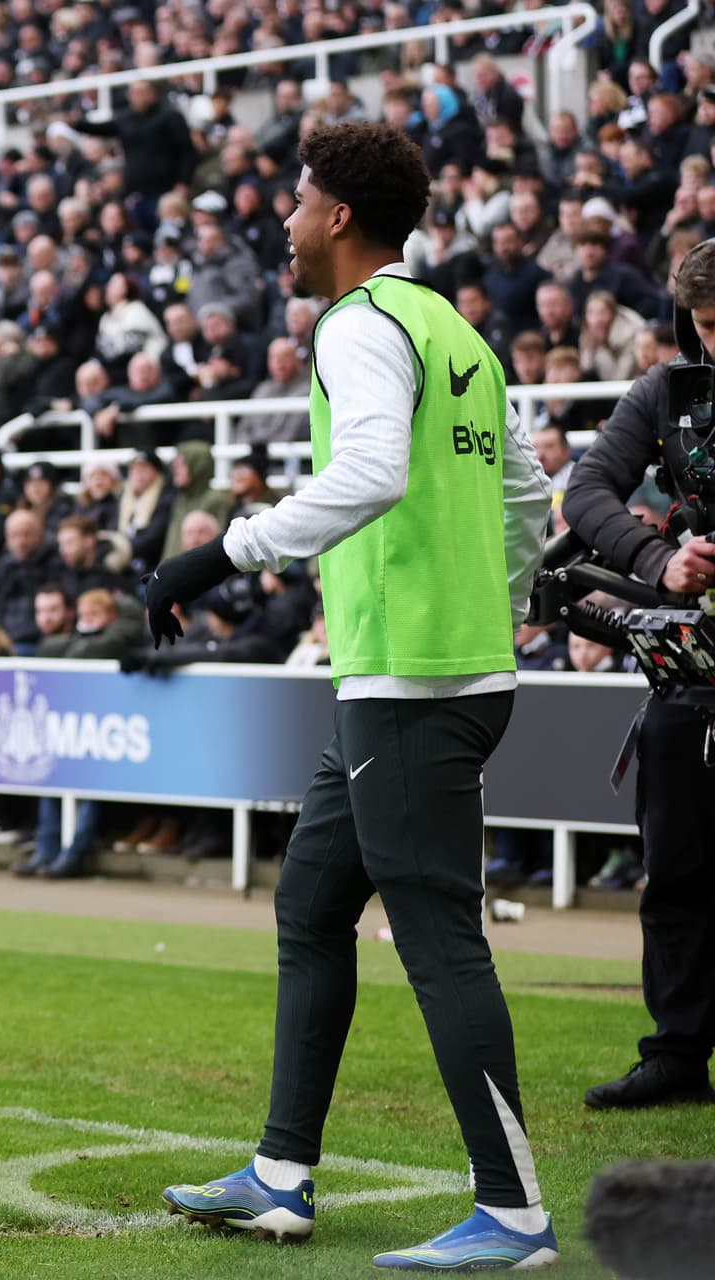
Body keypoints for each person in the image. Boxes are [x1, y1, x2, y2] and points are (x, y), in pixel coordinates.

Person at [149, 123, 557, 1270]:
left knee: (440, 940)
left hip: (411, 680)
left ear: (335, 216)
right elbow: (527, 495)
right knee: (312, 906)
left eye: (295, 198)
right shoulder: (453, 328)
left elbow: (372, 471)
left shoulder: (359, 325)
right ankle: (281, 1173)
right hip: (425, 667)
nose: (282, 219)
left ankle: (516, 1211)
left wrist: (219, 553)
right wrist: (499, 605)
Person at [562, 237, 715, 1112]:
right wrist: (660, 561)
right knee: (676, 874)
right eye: (706, 326)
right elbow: (585, 495)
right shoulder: (665, 391)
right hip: (687, 672)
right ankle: (678, 1056)